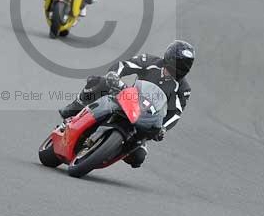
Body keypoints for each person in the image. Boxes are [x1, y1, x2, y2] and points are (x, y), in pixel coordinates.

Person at [58, 40, 195, 167]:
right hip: (128, 99)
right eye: (172, 69)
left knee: (138, 158)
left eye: (180, 72)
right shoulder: (149, 61)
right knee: (100, 82)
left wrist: (163, 128)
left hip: (146, 118)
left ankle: (108, 151)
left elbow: (176, 113)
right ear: (167, 59)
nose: (174, 74)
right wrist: (115, 75)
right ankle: (75, 107)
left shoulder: (183, 89)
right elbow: (124, 65)